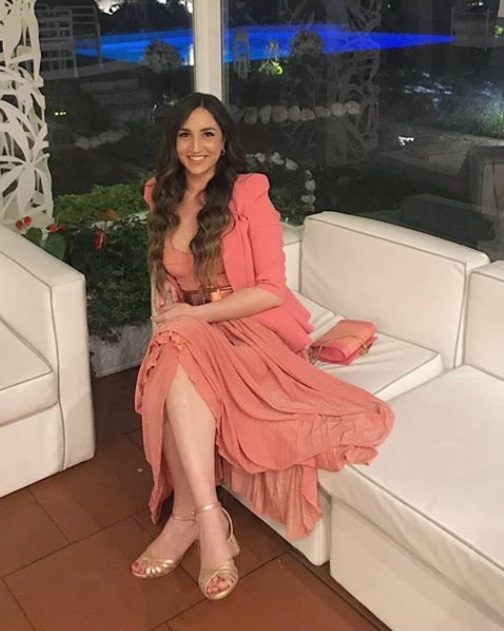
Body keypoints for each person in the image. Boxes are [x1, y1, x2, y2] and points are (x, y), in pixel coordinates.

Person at [132, 92, 393, 600]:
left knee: (175, 349)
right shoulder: (159, 194)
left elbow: (271, 289)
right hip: (191, 328)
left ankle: (191, 518)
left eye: (208, 134)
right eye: (185, 134)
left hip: (249, 325)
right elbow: (166, 276)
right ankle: (206, 517)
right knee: (173, 350)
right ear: (173, 142)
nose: (196, 146)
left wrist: (194, 316)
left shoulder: (248, 193)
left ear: (224, 140)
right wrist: (168, 306)